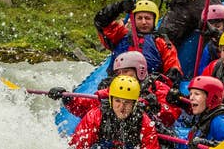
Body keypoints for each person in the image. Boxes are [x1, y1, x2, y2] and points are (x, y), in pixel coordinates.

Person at [48, 51, 182, 128]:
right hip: (120, 137)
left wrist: (154, 108)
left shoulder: (157, 87)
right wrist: (68, 99)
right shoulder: (115, 88)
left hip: (151, 135)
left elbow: (171, 116)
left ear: (140, 71)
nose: (122, 76)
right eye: (119, 72)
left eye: (126, 71)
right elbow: (89, 106)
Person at [94, 0, 182, 84]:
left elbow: (173, 71)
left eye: (147, 18)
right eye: (139, 18)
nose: (144, 22)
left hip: (147, 89)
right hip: (116, 85)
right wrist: (119, 7)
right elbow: (100, 22)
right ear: (133, 20)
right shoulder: (120, 35)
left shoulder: (162, 42)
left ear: (154, 20)